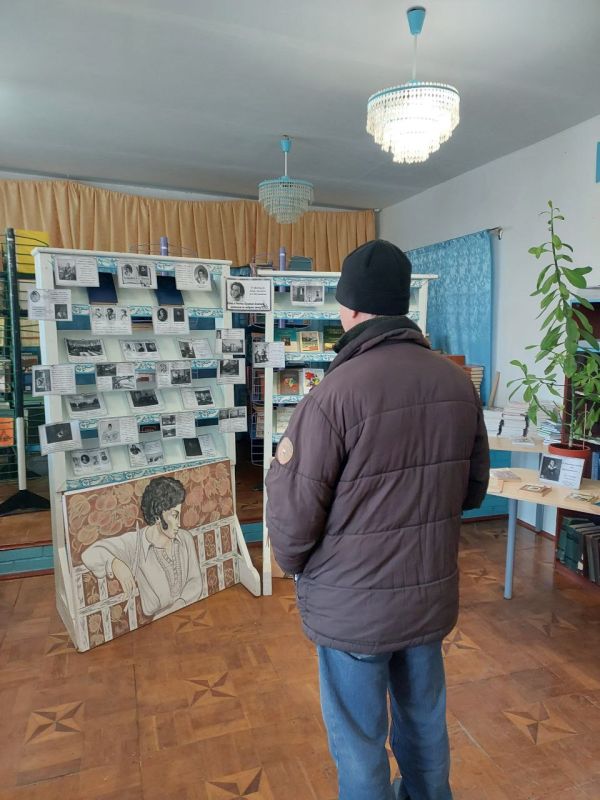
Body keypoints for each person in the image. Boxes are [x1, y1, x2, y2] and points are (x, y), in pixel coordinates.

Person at [266, 239, 490, 800]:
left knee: (360, 740)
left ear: (349, 309)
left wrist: (293, 565)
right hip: (427, 594)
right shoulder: (456, 384)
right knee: (425, 723)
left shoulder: (333, 395)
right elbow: (472, 490)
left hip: (354, 605)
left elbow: (293, 513)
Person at [82, 476, 203, 619]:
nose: (179, 524)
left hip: (190, 611)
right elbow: (89, 555)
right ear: (157, 516)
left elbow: (195, 582)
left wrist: (179, 605)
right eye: (174, 516)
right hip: (155, 625)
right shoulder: (135, 543)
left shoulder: (185, 538)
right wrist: (115, 563)